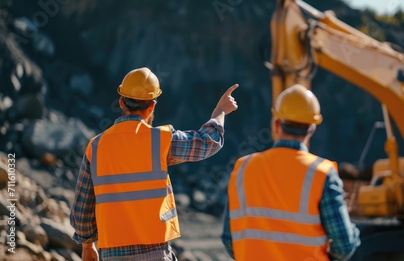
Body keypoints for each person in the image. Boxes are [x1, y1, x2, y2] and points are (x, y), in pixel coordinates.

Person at [70, 67, 239, 261]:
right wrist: (220, 112)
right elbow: (207, 142)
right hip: (155, 253)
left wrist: (87, 245)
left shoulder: (96, 146)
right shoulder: (160, 140)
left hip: (111, 254)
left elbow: (82, 207)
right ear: (152, 106)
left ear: (121, 101)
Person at [221, 84, 360, 260]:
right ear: (312, 128)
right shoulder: (322, 173)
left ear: (276, 123)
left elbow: (229, 238)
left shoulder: (243, 168)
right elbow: (344, 245)